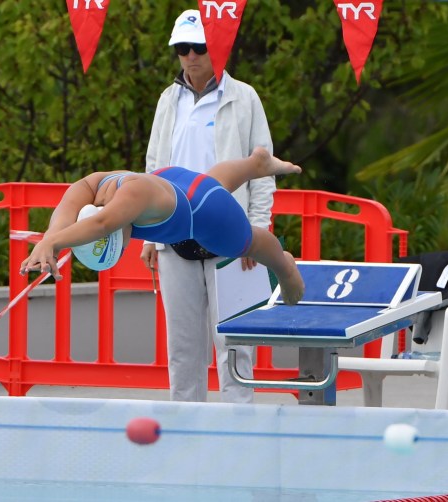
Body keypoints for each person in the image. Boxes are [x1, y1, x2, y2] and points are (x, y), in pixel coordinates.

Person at [141, 9, 277, 403]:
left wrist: (257, 231)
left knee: (235, 345)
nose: (190, 56)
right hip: (175, 233)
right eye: (182, 48)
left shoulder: (244, 97)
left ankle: (239, 430)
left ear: (215, 47)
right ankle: (186, 432)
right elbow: (153, 169)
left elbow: (262, 171)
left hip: (233, 236)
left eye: (198, 46)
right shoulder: (168, 100)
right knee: (182, 349)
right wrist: (148, 234)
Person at [20, 147, 304, 309]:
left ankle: (285, 266)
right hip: (178, 181)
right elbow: (67, 209)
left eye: (120, 248)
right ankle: (256, 163)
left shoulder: (129, 199)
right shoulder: (92, 186)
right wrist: (49, 239)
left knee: (247, 243)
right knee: (212, 183)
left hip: (207, 213)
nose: (126, 247)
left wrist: (54, 243)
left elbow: (101, 224)